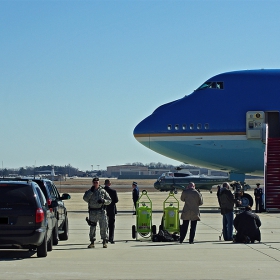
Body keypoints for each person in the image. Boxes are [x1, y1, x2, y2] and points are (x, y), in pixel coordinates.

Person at [83, 177, 112, 248]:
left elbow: (109, 200)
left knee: (103, 226)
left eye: (97, 182)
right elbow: (85, 198)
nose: (95, 183)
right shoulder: (90, 191)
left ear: (99, 183)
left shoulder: (103, 191)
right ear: (92, 183)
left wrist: (103, 201)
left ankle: (104, 241)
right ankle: (92, 242)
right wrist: (91, 192)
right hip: (93, 211)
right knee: (92, 227)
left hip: (101, 211)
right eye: (94, 182)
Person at [103, 179, 119, 244]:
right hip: (111, 209)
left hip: (104, 209)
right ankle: (111, 238)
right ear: (109, 184)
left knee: (104, 225)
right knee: (111, 225)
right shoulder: (113, 191)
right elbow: (116, 200)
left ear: (104, 183)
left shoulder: (102, 191)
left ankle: (105, 238)